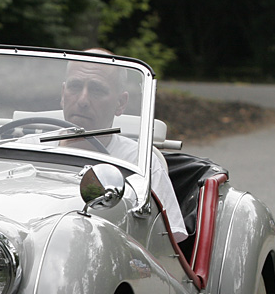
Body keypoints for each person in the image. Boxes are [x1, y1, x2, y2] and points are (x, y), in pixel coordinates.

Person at [61, 49, 188, 243]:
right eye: (75, 87)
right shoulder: (23, 150)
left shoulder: (141, 162)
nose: (82, 100)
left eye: (96, 90)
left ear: (121, 103)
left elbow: (168, 246)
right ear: (63, 94)